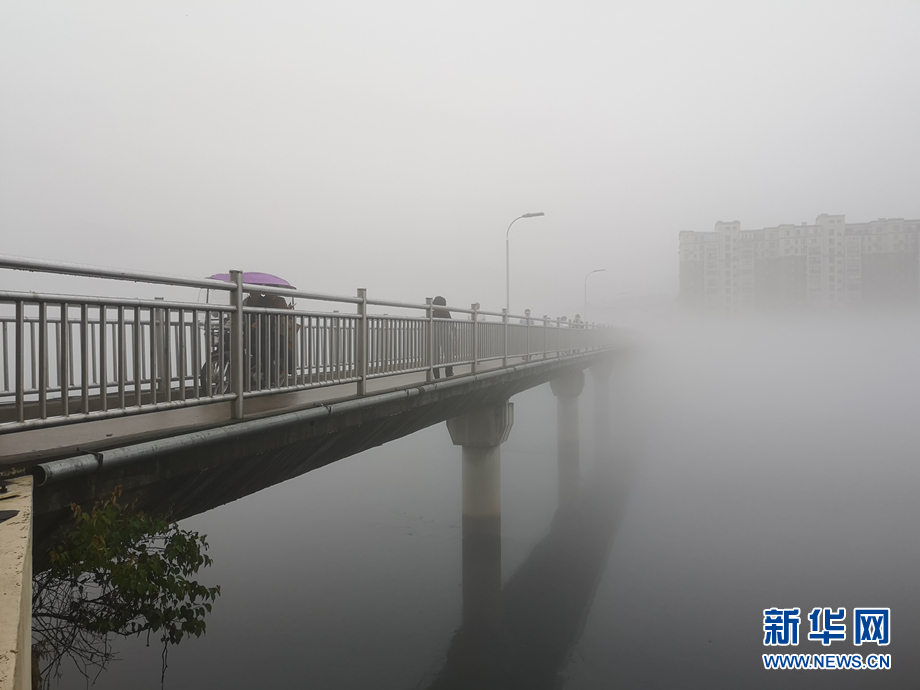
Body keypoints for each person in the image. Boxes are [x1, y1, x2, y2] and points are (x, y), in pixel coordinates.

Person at [431, 295, 454, 379]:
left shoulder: (432, 312)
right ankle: (449, 374)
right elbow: (451, 324)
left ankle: (436, 376)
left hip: (434, 336)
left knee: (435, 357)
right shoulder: (445, 312)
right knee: (448, 355)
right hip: (445, 336)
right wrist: (453, 335)